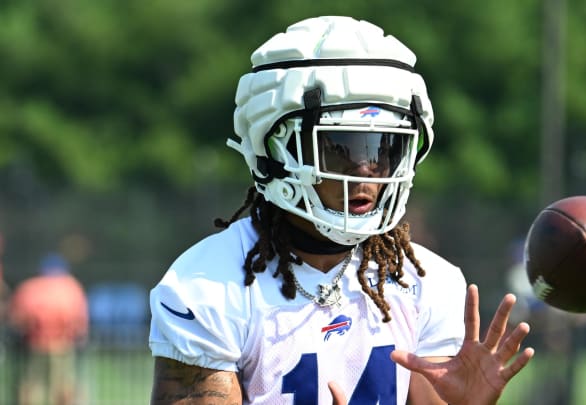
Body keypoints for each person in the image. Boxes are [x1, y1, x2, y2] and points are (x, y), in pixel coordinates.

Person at [149, 16, 534, 405]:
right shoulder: (208, 286)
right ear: (276, 150)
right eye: (342, 148)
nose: (366, 171)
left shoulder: (428, 283)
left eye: (384, 149)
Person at [8, 253, 89, 405]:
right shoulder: (71, 287)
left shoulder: (30, 288)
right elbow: (80, 320)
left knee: (32, 384)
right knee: (63, 384)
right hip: (63, 344)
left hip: (35, 343)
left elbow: (17, 319)